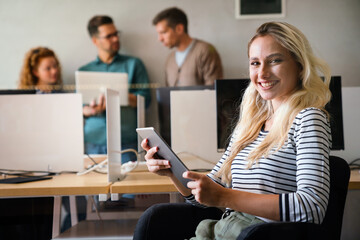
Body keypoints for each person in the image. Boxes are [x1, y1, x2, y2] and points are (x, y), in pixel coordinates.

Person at [134, 21, 332, 239]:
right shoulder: (251, 125)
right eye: (255, 63)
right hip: (228, 231)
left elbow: (312, 207)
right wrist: (173, 171)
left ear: (300, 65)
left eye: (275, 60)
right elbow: (212, 189)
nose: (263, 73)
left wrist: (225, 197)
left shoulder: (308, 118)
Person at [79, 15, 151, 160]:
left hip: (125, 142)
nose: (116, 39)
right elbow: (78, 108)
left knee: (129, 183)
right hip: (93, 141)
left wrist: (119, 97)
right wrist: (91, 110)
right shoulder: (84, 71)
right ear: (95, 41)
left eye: (116, 34)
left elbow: (146, 100)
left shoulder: (134, 64)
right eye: (109, 36)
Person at [153, 7, 223, 86]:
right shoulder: (170, 59)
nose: (160, 39)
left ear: (179, 29)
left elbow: (214, 91)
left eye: (163, 32)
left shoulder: (205, 51)